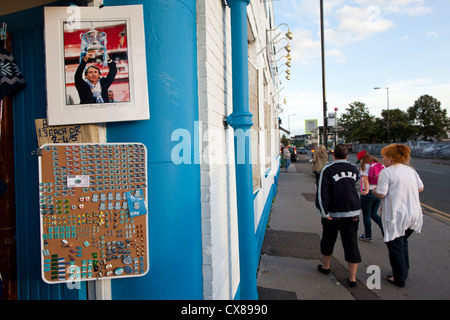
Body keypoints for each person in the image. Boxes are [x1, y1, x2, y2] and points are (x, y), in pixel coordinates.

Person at [373, 144, 424, 287]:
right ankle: (403, 271)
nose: (382, 159)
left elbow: (382, 193)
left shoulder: (387, 172)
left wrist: (374, 191)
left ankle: (399, 278)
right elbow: (420, 187)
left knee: (395, 246)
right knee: (402, 242)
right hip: (413, 214)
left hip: (396, 215)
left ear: (391, 158)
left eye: (384, 156)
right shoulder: (410, 171)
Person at [315, 144, 362, 287]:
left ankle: (326, 266)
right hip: (353, 212)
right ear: (347, 155)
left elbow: (322, 193)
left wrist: (324, 212)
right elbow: (356, 182)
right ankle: (352, 278)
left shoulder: (328, 169)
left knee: (328, 240)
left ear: (333, 155)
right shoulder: (354, 168)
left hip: (333, 214)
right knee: (351, 243)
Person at [357, 150, 384, 242]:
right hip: (378, 192)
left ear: (362, 159)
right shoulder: (378, 164)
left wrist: (366, 190)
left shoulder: (365, 166)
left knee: (366, 215)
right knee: (374, 214)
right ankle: (386, 232)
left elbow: (365, 179)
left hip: (368, 194)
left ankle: (368, 236)